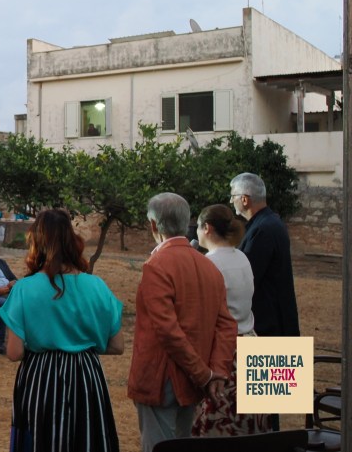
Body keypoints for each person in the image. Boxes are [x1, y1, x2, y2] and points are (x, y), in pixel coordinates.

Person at [0, 209, 124, 452]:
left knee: (42, 440)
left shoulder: (24, 288)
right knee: (86, 438)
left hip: (41, 379)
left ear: (37, 242)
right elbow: (117, 346)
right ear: (71, 240)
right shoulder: (97, 285)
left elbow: (14, 353)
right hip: (86, 377)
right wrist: (79, 344)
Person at [128, 193, 236, 452]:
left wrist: (206, 374)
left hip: (161, 376)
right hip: (194, 378)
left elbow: (167, 331)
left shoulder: (157, 265)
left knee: (158, 445)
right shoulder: (208, 266)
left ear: (153, 225)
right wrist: (215, 371)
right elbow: (226, 325)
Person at [191, 204, 269, 436]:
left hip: (225, 351)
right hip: (251, 342)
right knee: (251, 425)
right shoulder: (242, 257)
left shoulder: (209, 263)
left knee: (221, 425)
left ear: (207, 228)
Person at [230, 172, 300, 337]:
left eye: (233, 196)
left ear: (244, 199)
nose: (231, 201)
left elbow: (248, 276)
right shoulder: (268, 222)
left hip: (270, 325)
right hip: (276, 319)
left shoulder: (263, 229)